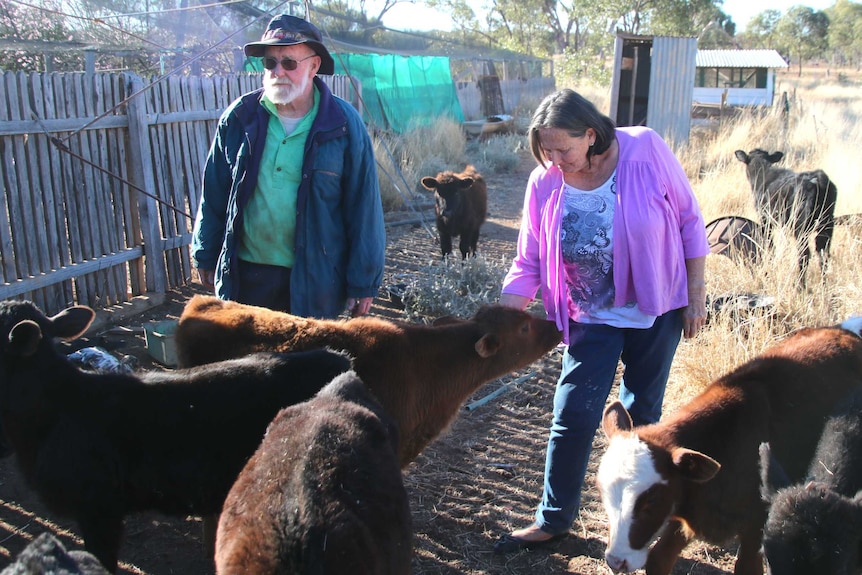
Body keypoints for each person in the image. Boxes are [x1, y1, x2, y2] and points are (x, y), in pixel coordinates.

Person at [493, 88, 709, 553]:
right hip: (589, 315)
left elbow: (691, 221)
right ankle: (553, 519)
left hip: (658, 310)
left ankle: (630, 524)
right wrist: (500, 318)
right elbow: (528, 258)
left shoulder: (645, 149)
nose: (553, 158)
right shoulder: (544, 181)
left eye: (562, 148)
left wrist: (695, 296)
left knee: (643, 417)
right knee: (572, 416)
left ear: (590, 134)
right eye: (544, 149)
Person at [191, 14, 385, 318]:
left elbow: (364, 207)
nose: (278, 71)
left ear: (314, 65)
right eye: (270, 63)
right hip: (247, 276)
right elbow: (214, 192)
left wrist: (364, 281)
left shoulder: (344, 125)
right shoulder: (240, 118)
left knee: (305, 362)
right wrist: (205, 253)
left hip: (316, 279)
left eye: (289, 63)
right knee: (248, 363)